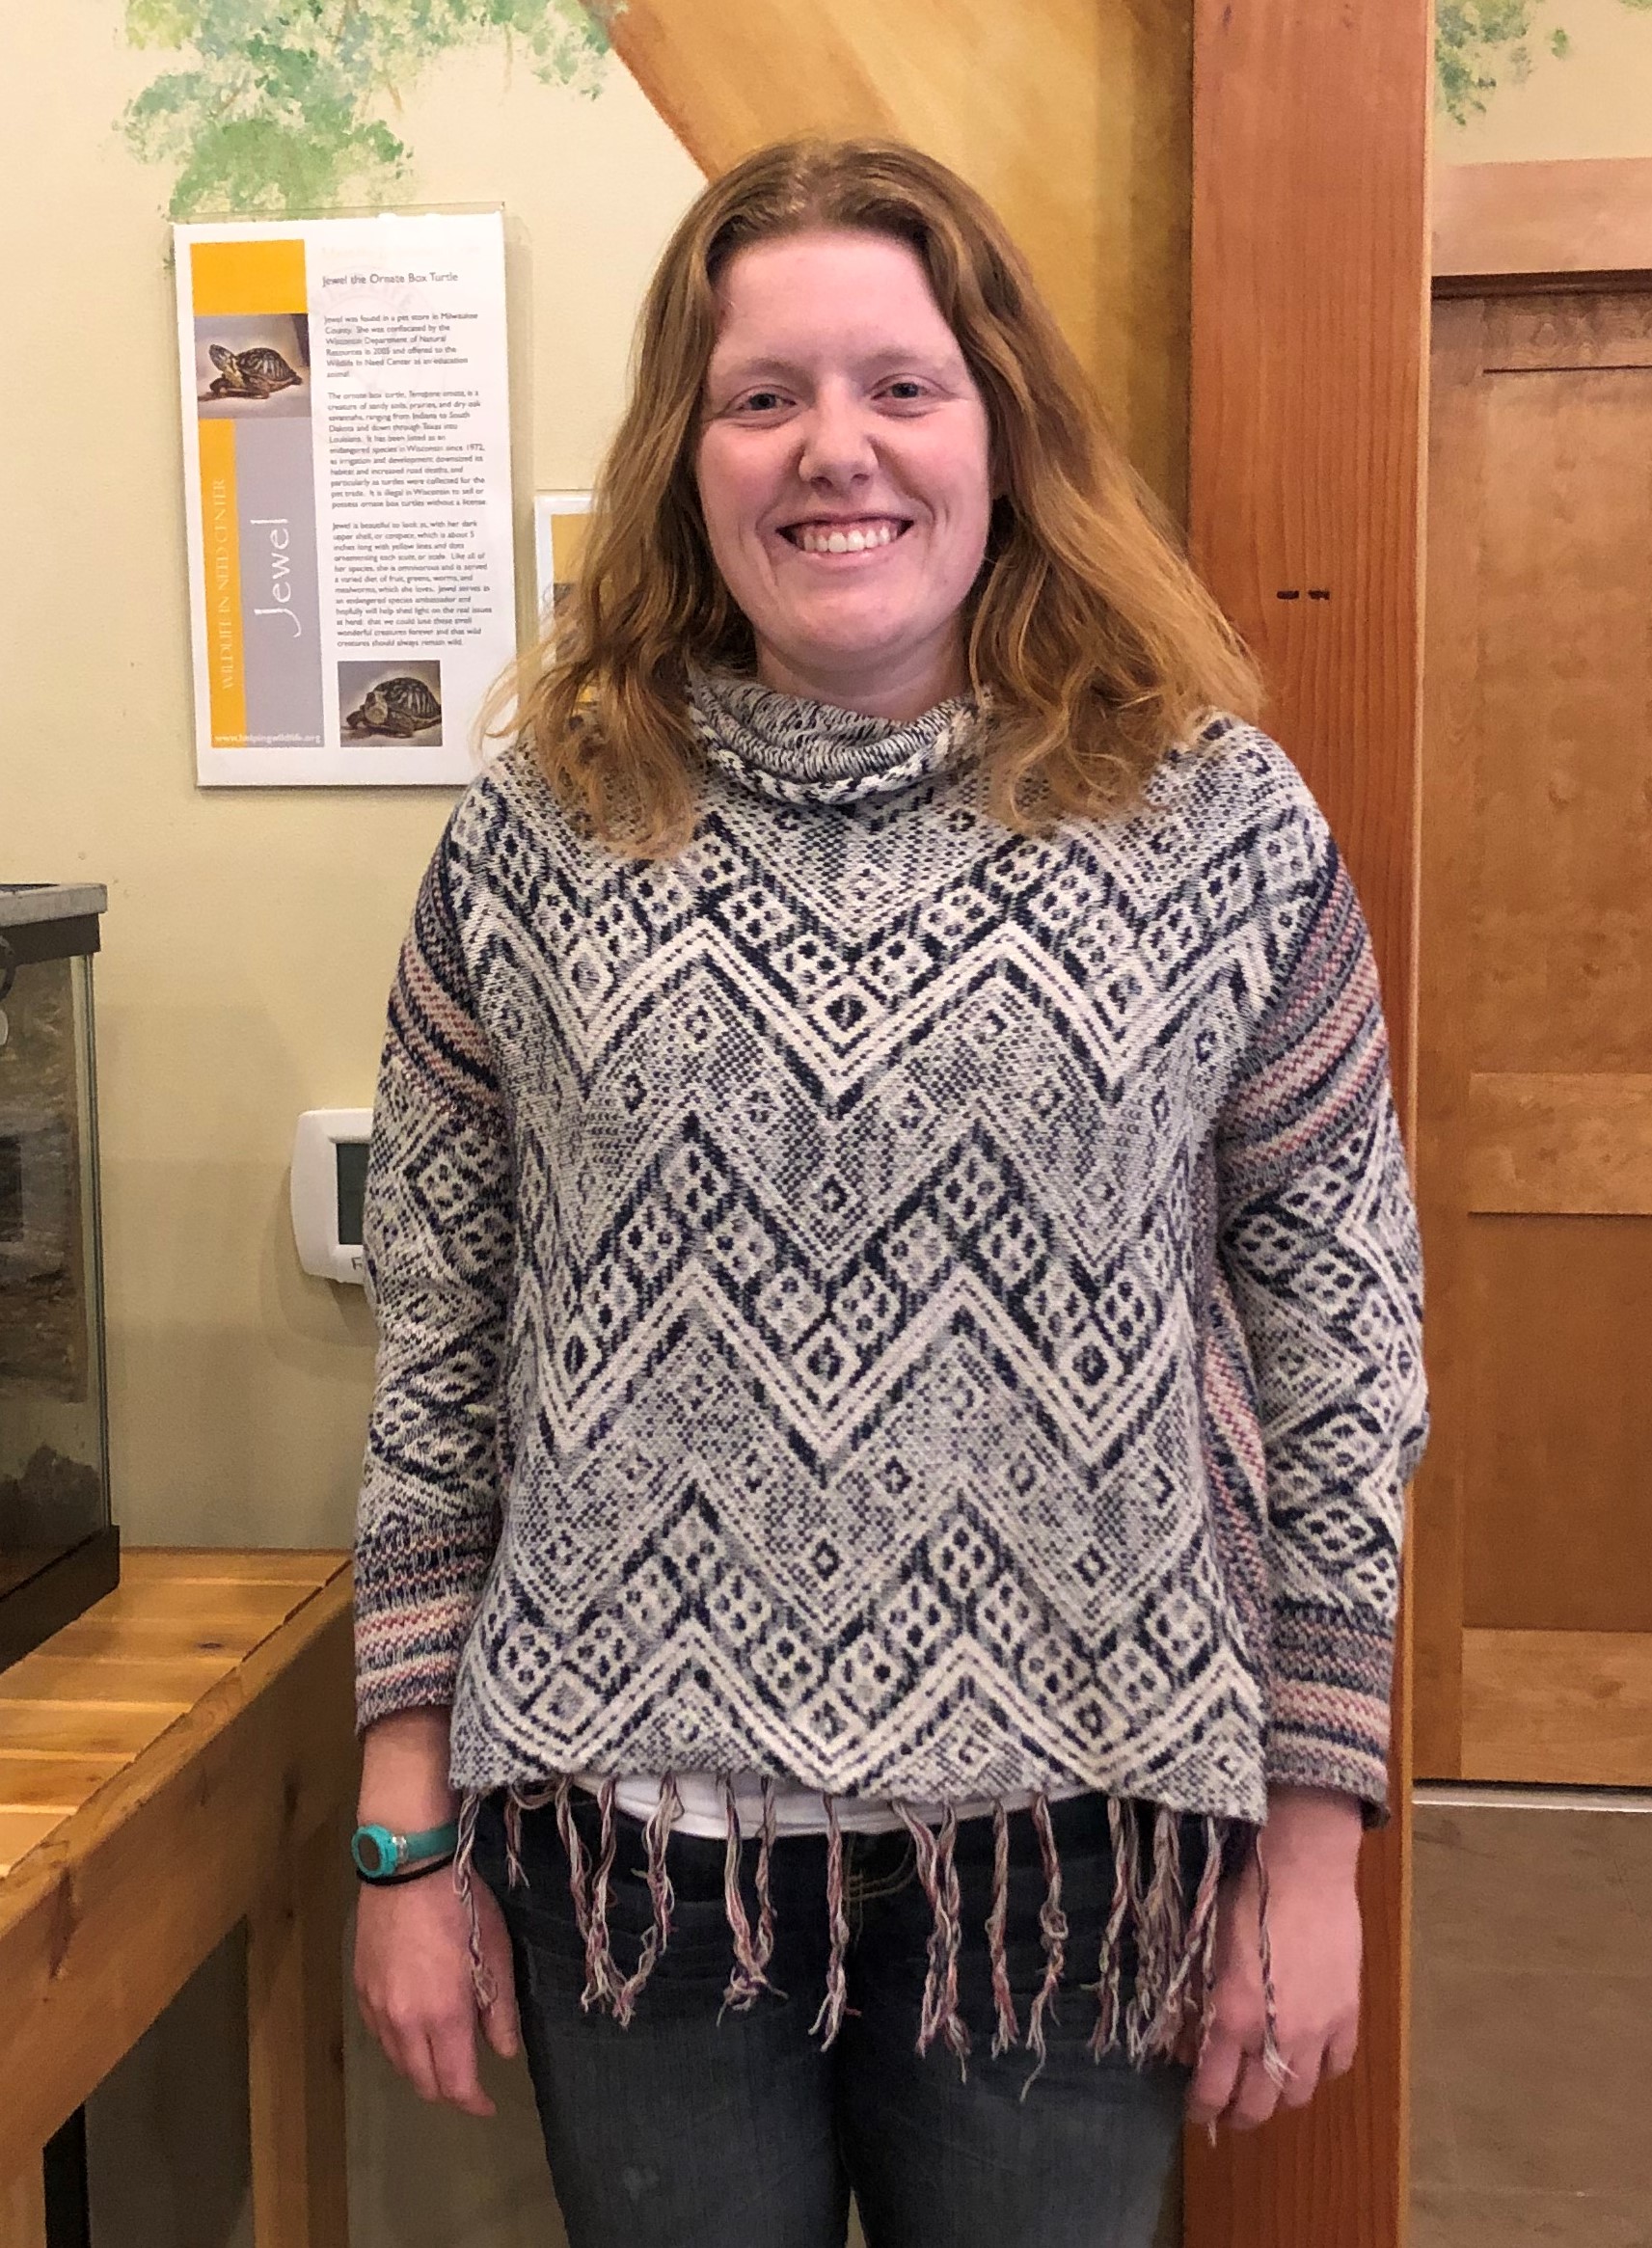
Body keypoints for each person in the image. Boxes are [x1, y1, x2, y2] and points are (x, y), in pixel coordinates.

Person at [350, 138, 1427, 2248]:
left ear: (999, 428)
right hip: (632, 1855)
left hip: (1073, 1850)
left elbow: (1341, 1335)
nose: (831, 449)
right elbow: (440, 1338)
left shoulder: (1211, 819)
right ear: (688, 458)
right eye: (761, 397)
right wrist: (404, 1826)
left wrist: (1314, 1838)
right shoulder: (539, 834)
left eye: (900, 386)